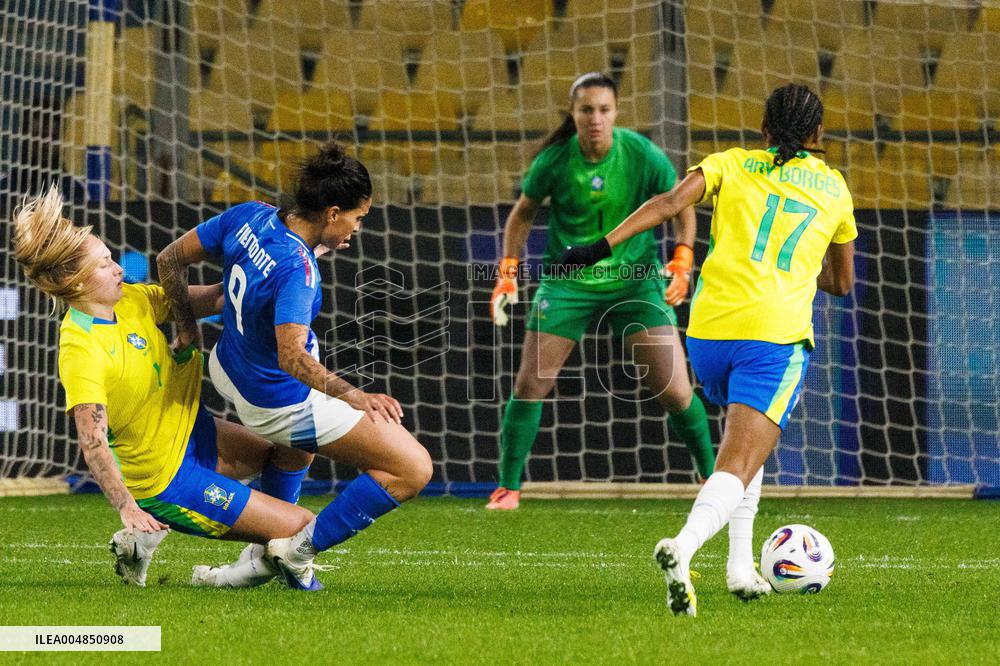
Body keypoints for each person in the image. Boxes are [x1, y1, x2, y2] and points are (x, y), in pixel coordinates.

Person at [553, 83, 857, 616]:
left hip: (710, 334)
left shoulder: (731, 164)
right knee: (740, 458)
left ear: (763, 130)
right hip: (775, 336)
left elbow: (668, 203)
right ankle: (684, 547)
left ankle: (740, 570)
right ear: (817, 135)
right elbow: (841, 281)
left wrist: (598, 247)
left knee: (745, 444)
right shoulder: (834, 189)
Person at [157, 141, 433, 590]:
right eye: (357, 218)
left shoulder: (249, 214)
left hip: (228, 366)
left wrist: (188, 330)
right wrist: (356, 395)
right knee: (413, 468)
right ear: (332, 212)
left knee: (297, 447)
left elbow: (168, 260)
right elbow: (291, 357)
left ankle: (261, 555)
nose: (357, 229)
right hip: (277, 400)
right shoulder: (299, 272)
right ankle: (297, 548)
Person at [11, 186, 317, 589]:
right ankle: (225, 576)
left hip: (195, 431)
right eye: (104, 265)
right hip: (165, 478)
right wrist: (127, 507)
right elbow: (92, 441)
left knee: (299, 444)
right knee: (305, 529)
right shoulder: (81, 348)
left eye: (110, 259)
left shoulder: (131, 300)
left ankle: (257, 548)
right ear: (74, 281)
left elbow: (213, 299)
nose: (118, 268)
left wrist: (278, 262)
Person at [487, 72, 715, 510]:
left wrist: (683, 259)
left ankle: (711, 479)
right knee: (532, 381)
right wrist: (508, 270)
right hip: (568, 281)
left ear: (616, 113)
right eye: (586, 110)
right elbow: (521, 215)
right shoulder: (555, 160)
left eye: (604, 110)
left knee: (675, 390)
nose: (596, 119)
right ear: (572, 114)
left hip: (635, 279)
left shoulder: (641, 153)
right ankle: (508, 488)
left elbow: (680, 206)